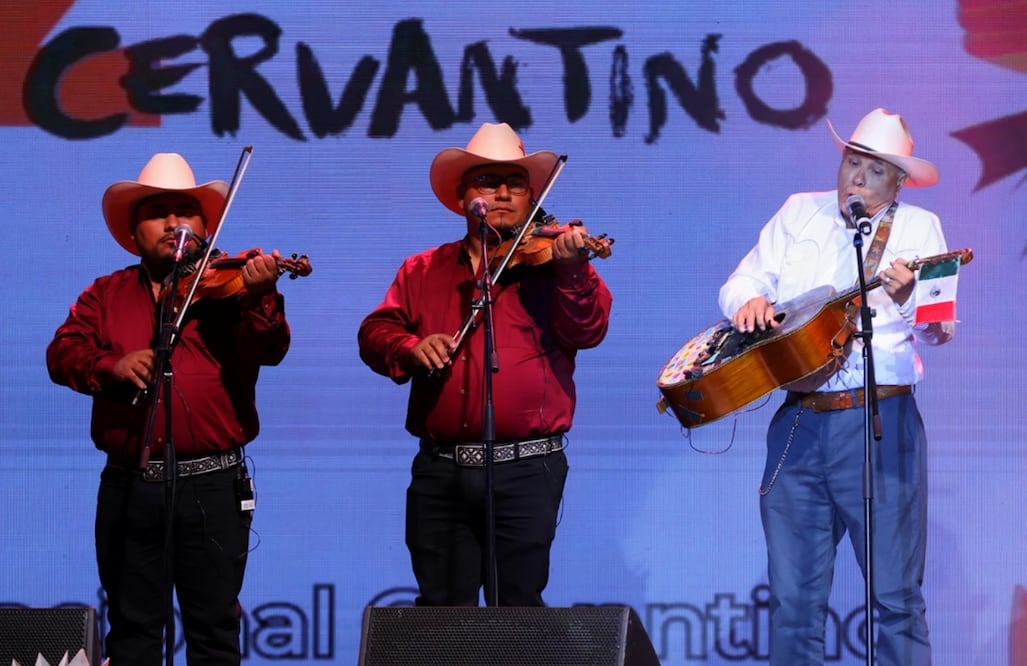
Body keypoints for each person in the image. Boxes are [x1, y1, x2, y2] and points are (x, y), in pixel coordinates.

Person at [719, 108, 953, 665]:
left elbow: (941, 327)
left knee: (895, 597)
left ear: (898, 181)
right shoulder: (800, 211)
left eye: (874, 170)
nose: (857, 177)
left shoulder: (923, 229)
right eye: (852, 162)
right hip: (800, 417)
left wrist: (908, 297)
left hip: (879, 421)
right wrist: (747, 301)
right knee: (793, 602)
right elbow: (741, 281)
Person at [46, 152, 291, 664]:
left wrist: (263, 295)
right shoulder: (106, 294)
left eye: (187, 212)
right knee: (133, 631)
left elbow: (270, 350)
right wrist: (109, 366)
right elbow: (62, 353)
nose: (175, 223)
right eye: (159, 212)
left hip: (214, 486)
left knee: (214, 631)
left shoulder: (232, 287)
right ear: (135, 232)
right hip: (130, 482)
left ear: (207, 225)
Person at [358, 122, 612, 606]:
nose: (500, 193)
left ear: (530, 196)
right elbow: (374, 333)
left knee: (517, 611)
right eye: (485, 183)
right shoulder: (423, 268)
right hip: (442, 472)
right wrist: (409, 347)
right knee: (442, 613)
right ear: (461, 198)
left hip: (527, 467)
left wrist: (573, 269)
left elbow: (588, 331)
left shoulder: (554, 264)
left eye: (514, 183)